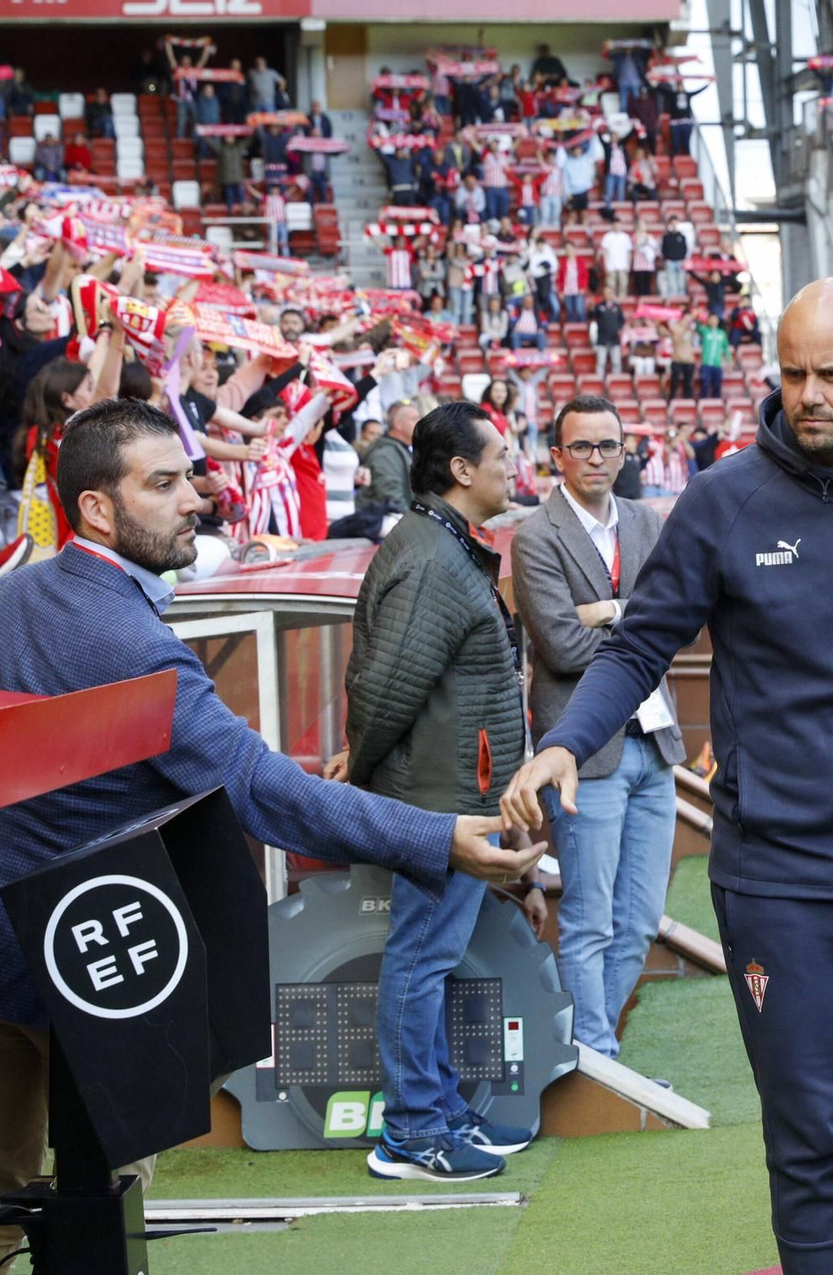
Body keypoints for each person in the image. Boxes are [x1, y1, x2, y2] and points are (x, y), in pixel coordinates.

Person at [0, 399, 538, 1275]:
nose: (195, 498)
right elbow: (261, 789)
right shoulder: (132, 640)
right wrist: (439, 837)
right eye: (164, 484)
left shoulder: (6, 597)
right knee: (104, 1201)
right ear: (98, 507)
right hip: (87, 970)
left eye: (187, 476)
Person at [501, 278, 833, 1275]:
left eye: (829, 374)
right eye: (790, 372)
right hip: (776, 880)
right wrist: (566, 742)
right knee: (809, 1143)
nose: (806, 394)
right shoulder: (722, 502)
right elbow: (635, 650)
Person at [329, 401, 536, 1182]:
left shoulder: (441, 544)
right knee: (420, 961)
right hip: (434, 796)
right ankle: (413, 1130)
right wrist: (360, 754)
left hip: (452, 787)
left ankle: (439, 1109)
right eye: (502, 454)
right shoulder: (429, 557)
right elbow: (385, 688)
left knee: (431, 958)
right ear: (460, 470)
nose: (513, 465)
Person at [510, 395, 685, 1058]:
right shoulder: (536, 534)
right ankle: (595, 1059)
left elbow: (674, 627)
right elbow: (558, 646)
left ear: (624, 450)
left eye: (607, 445)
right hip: (586, 753)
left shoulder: (645, 520)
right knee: (588, 920)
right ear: (556, 455)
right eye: (581, 446)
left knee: (639, 921)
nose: (596, 458)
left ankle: (591, 1051)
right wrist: (633, 619)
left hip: (654, 744)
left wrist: (606, 609)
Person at [358, 398, 419, 515]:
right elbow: (392, 499)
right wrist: (412, 525)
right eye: (414, 419)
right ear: (397, 424)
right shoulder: (386, 454)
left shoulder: (399, 450)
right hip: (385, 525)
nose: (420, 423)